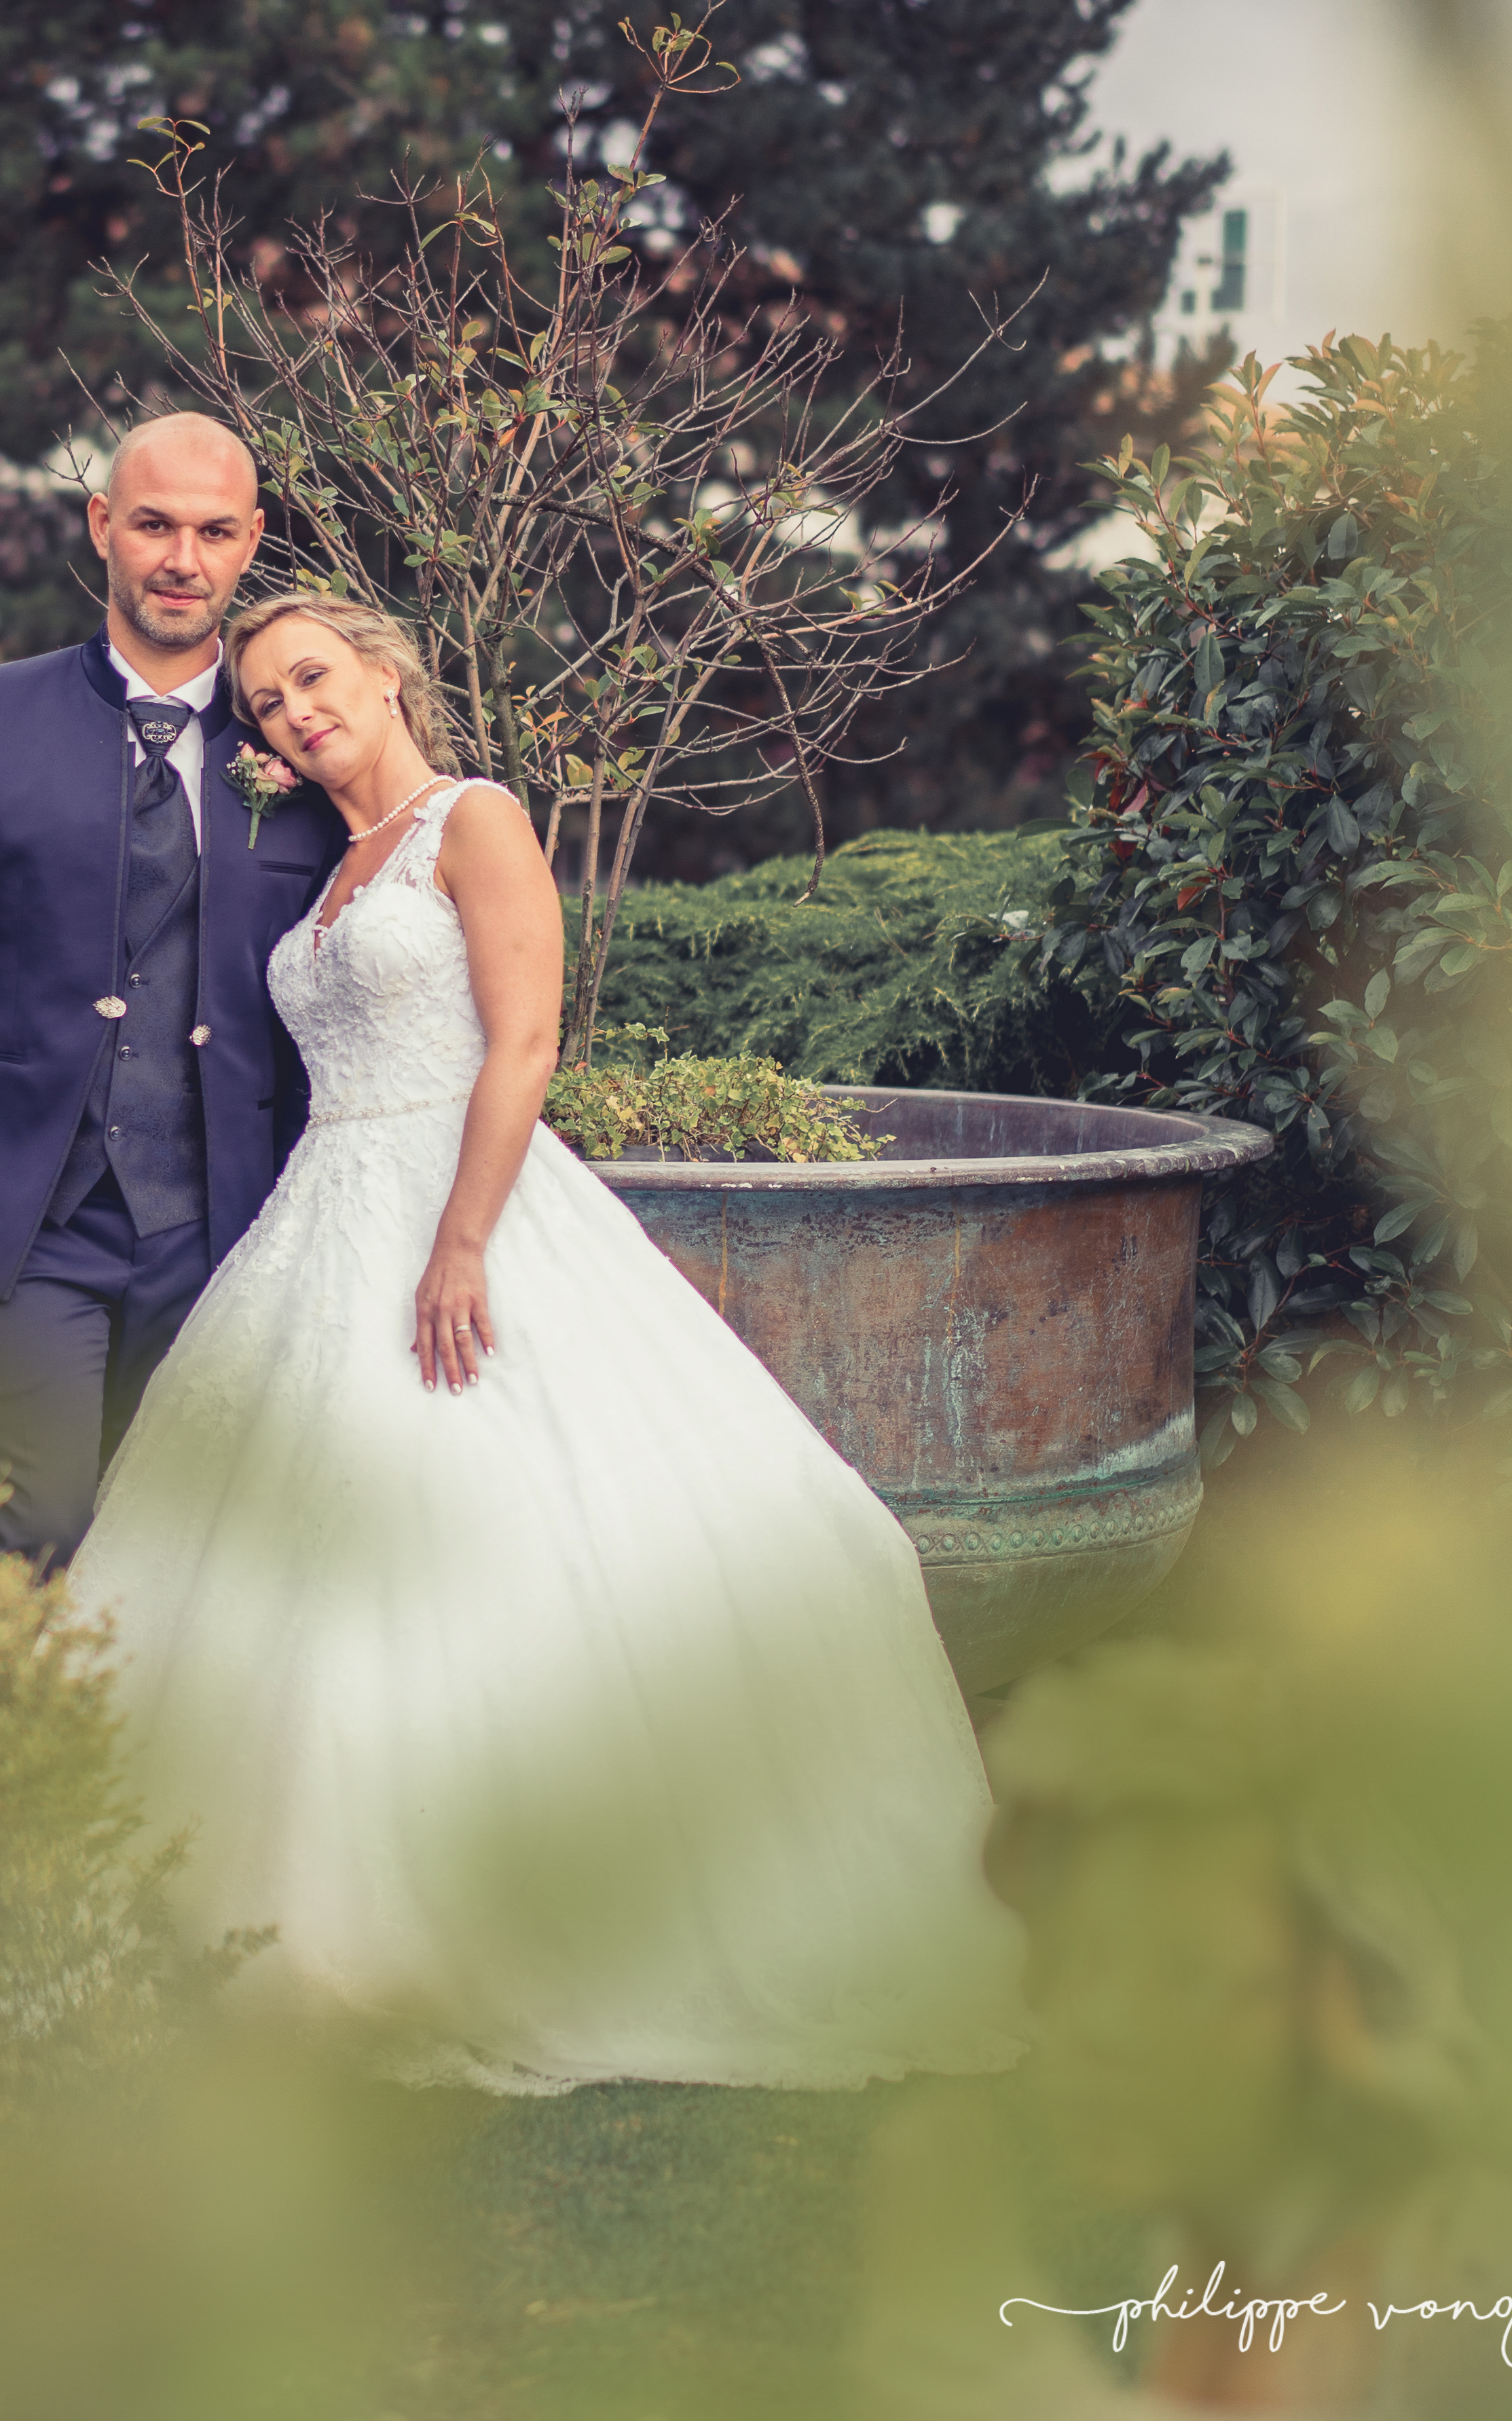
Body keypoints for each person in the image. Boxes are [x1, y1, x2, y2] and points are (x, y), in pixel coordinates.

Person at [66, 589, 1028, 2092]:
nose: (295, 712)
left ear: (385, 670)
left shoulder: (476, 818)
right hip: (324, 1215)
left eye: (312, 677)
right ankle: (265, 1900)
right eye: (266, 704)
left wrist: (461, 1240)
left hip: (467, 1204)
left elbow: (525, 1041)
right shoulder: (324, 868)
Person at [0, 413, 348, 1573]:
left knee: (184, 1552)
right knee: (42, 1523)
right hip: (29, 1222)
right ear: (102, 526)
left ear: (251, 540)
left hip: (226, 1227)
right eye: (155, 526)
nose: (183, 559)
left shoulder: (299, 745)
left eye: (214, 532)